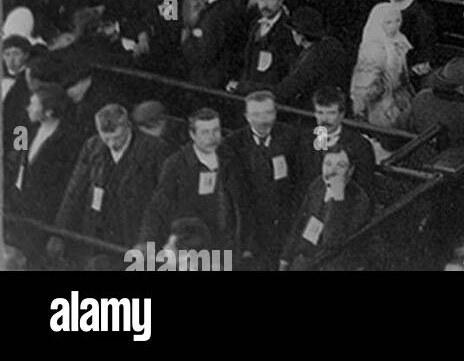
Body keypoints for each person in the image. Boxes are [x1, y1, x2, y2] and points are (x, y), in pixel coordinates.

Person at [54, 103, 166, 250]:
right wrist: (59, 233)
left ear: (128, 126)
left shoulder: (155, 149)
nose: (112, 144)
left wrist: (147, 239)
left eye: (117, 138)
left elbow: (162, 200)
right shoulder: (92, 146)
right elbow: (74, 191)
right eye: (106, 138)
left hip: (134, 235)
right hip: (96, 232)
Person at [140, 108, 242, 252]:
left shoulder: (230, 158)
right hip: (192, 245)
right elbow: (159, 205)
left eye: (216, 131)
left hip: (226, 245)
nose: (212, 137)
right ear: (192, 134)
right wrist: (146, 240)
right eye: (205, 132)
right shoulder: (176, 164)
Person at [224, 90, 300, 269]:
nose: (263, 120)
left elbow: (300, 177)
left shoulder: (290, 136)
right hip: (250, 225)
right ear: (247, 117)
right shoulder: (233, 143)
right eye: (256, 114)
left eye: (268, 113)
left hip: (282, 223)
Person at [280, 149, 372, 271]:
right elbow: (300, 223)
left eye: (340, 166)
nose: (331, 171)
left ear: (350, 170)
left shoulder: (359, 200)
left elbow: (333, 243)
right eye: (328, 164)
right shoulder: (318, 185)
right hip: (303, 260)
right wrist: (285, 258)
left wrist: (337, 198)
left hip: (331, 265)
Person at [12, 85, 79, 228]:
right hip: (15, 206)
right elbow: (16, 159)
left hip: (39, 216)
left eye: (33, 105)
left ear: (49, 112)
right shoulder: (26, 129)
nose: (28, 108)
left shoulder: (67, 141)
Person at [182, 0, 247, 90]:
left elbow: (205, 51)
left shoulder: (217, 14)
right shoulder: (229, 6)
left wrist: (186, 40)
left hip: (209, 80)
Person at [297, 87, 376, 196]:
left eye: (331, 113)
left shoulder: (359, 145)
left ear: (341, 114)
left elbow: (363, 190)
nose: (324, 119)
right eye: (320, 113)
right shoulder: (305, 140)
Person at [351, 3, 417, 129]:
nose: (394, 26)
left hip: (400, 96)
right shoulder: (373, 49)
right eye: (388, 22)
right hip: (379, 102)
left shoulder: (399, 41)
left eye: (398, 20)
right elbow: (365, 85)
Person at [273, 8, 351, 110]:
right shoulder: (325, 47)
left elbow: (290, 87)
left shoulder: (317, 54)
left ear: (300, 35)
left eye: (293, 31)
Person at [237, 0, 299, 92]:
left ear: (281, 0)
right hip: (249, 89)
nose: (265, 4)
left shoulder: (288, 30)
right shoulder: (255, 24)